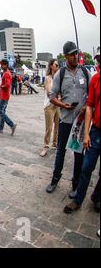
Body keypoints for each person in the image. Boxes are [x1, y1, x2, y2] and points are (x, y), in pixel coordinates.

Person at [46, 41, 91, 197]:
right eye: (72, 54)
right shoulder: (61, 73)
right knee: (61, 151)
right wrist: (63, 105)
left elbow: (91, 95)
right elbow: (51, 96)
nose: (75, 56)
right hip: (65, 119)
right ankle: (55, 178)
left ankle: (75, 184)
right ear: (66, 56)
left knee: (79, 153)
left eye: (76, 53)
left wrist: (86, 107)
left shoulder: (85, 72)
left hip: (80, 122)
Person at [64, 54, 100, 213]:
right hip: (96, 131)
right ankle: (78, 199)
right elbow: (90, 106)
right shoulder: (96, 80)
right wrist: (86, 134)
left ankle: (96, 196)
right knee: (86, 167)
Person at [40, 59, 60, 157]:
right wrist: (57, 97)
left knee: (57, 125)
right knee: (49, 127)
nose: (58, 66)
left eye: (58, 65)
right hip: (49, 105)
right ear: (51, 66)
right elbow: (48, 92)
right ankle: (46, 145)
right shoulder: (48, 78)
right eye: (56, 64)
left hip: (58, 105)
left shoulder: (59, 78)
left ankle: (55, 143)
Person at [0, 60, 17, 135]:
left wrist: (0, 86)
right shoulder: (6, 73)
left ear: (5, 65)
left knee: (0, 112)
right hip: (4, 95)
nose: (0, 66)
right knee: (2, 112)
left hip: (4, 96)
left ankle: (12, 125)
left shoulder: (6, 73)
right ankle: (0, 128)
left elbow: (7, 84)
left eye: (1, 65)